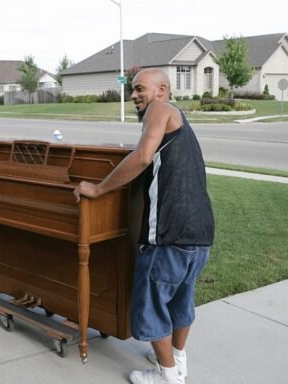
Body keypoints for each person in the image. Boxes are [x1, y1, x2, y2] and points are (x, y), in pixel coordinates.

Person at [73, 68, 214, 384]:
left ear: (162, 90)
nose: (134, 96)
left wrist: (96, 189)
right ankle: (177, 360)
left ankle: (166, 376)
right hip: (200, 234)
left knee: (150, 305)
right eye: (132, 90)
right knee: (180, 299)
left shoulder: (160, 109)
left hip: (169, 234)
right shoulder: (179, 119)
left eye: (139, 89)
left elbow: (141, 157)